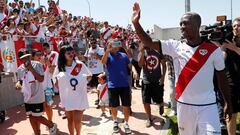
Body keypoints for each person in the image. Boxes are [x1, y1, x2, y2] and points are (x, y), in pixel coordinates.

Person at [132, 2, 232, 135]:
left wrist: (227, 102)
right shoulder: (174, 46)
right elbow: (149, 42)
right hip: (184, 106)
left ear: (197, 25)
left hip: (208, 106)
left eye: (185, 23)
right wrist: (136, 23)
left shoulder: (214, 50)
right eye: (180, 24)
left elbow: (222, 78)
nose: (182, 27)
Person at [15, 48, 57, 135]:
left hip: (37, 96)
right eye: (23, 58)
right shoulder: (19, 69)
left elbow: (41, 79)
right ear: (20, 59)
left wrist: (31, 68)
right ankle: (37, 132)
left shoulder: (37, 65)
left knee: (37, 116)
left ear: (30, 56)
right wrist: (18, 84)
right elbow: (21, 80)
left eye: (27, 57)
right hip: (27, 97)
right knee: (31, 116)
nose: (26, 59)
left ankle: (51, 125)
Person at [55, 45, 92, 135]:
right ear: (63, 55)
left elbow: (89, 76)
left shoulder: (80, 65)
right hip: (68, 97)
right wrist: (63, 83)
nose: (71, 54)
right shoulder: (60, 67)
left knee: (77, 121)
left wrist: (82, 79)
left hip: (79, 96)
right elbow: (56, 82)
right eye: (68, 53)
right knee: (70, 120)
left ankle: (78, 133)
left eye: (72, 52)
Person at [101, 39, 132, 134]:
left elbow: (130, 66)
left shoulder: (123, 55)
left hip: (124, 85)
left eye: (117, 44)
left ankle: (126, 123)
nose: (115, 46)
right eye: (113, 45)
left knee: (126, 106)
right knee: (113, 106)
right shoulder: (108, 56)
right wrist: (107, 50)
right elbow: (103, 61)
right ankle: (115, 121)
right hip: (112, 85)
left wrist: (125, 48)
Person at [219, 17, 240, 135]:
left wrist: (235, 48)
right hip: (231, 81)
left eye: (239, 25)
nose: (237, 28)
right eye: (235, 26)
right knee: (232, 113)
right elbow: (222, 58)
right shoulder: (227, 39)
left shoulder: (232, 44)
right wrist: (222, 48)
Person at [138, 43, 166, 127]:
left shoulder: (158, 52)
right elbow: (140, 64)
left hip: (157, 80)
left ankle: (161, 105)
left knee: (159, 99)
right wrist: (142, 52)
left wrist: (163, 77)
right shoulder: (141, 52)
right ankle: (149, 118)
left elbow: (164, 65)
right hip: (146, 81)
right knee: (146, 101)